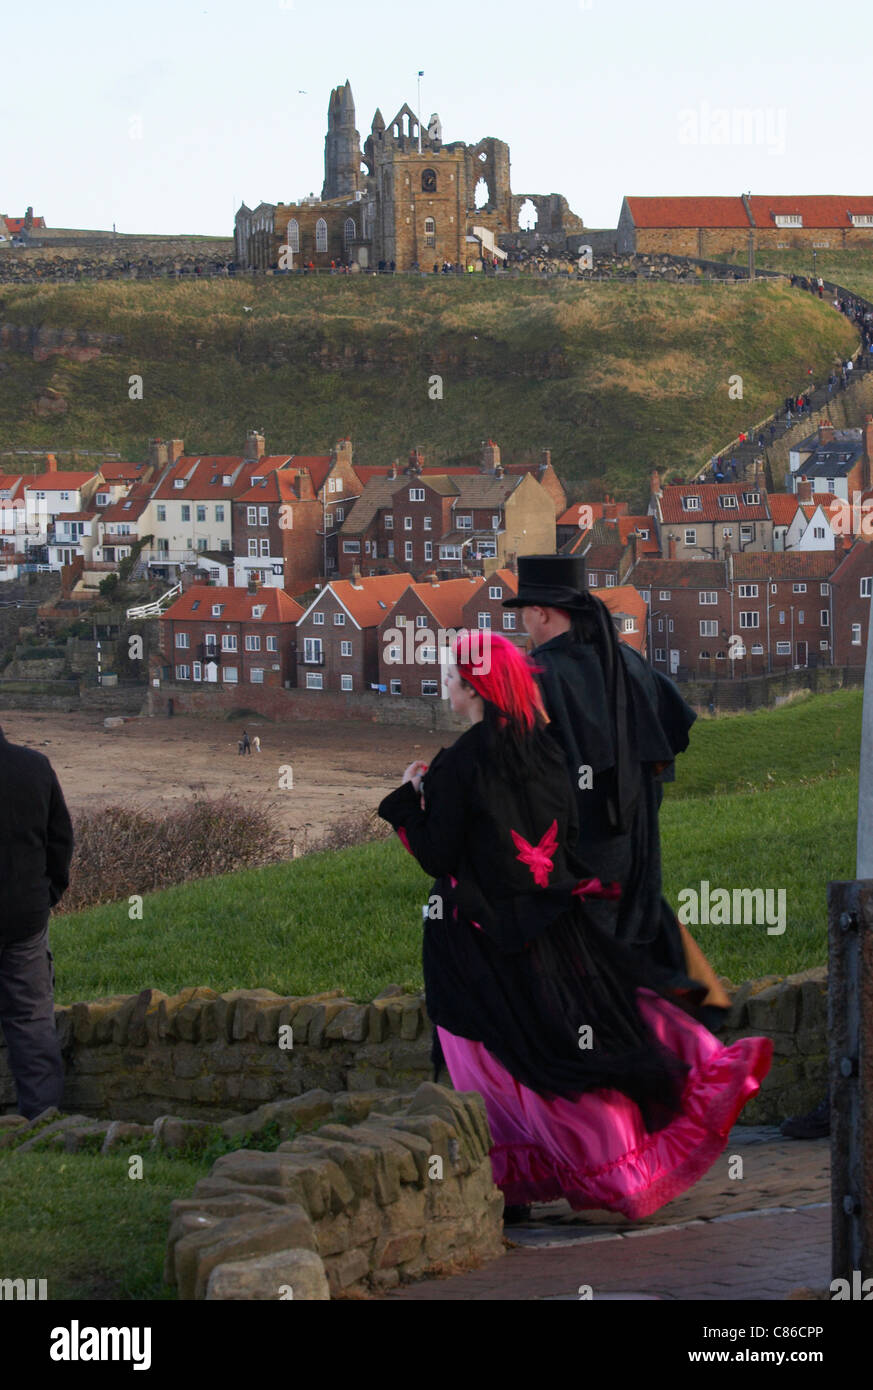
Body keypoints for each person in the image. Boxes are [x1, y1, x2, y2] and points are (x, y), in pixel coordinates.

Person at [378, 633, 772, 1221]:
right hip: (555, 926)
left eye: (453, 678)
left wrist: (411, 800)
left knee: (494, 1059)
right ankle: (592, 1165)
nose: (447, 687)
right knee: (558, 1045)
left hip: (476, 940)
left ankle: (524, 1180)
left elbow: (440, 856)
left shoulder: (459, 762)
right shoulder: (545, 746)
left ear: (474, 687)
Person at [502, 554, 731, 1025]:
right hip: (638, 847)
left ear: (542, 613)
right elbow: (674, 734)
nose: (522, 621)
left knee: (584, 986)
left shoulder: (536, 679)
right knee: (635, 963)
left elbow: (519, 781)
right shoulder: (627, 659)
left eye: (523, 610)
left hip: (577, 858)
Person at [0, 722, 74, 1118]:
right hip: (24, 915)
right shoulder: (35, 767)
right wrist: (48, 895)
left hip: (26, 911)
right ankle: (42, 1121)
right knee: (30, 1019)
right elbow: (60, 839)